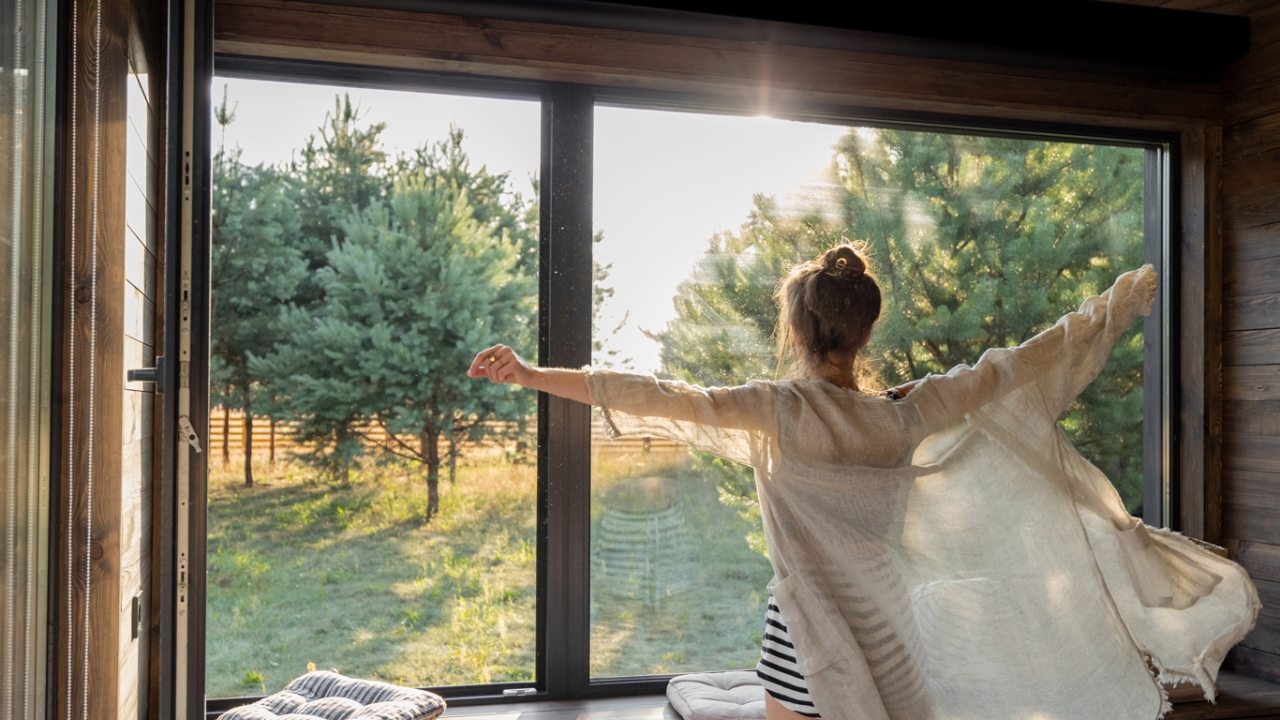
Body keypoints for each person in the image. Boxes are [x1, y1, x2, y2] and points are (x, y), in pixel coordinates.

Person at [467, 244, 1257, 720]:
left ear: (799, 331)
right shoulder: (905, 414)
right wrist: (1110, 308)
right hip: (889, 623)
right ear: (863, 331)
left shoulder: (777, 411)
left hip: (804, 627)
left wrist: (534, 374)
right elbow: (1014, 365)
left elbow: (657, 396)